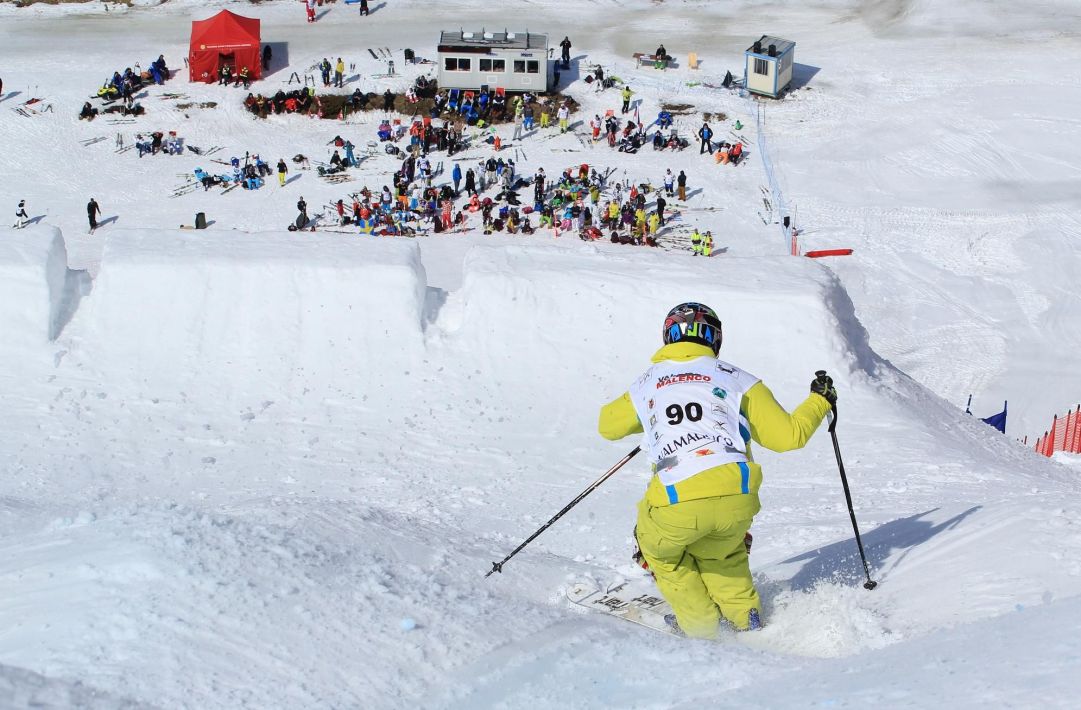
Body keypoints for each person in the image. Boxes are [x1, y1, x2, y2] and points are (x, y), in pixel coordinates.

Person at [598, 303, 835, 638]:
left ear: (668, 336)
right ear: (715, 340)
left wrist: (648, 419)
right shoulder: (739, 379)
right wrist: (819, 400)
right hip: (736, 495)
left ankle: (702, 631)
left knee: (662, 553)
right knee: (723, 555)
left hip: (676, 496)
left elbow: (607, 426)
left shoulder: (647, 382)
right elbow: (787, 438)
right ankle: (749, 625)